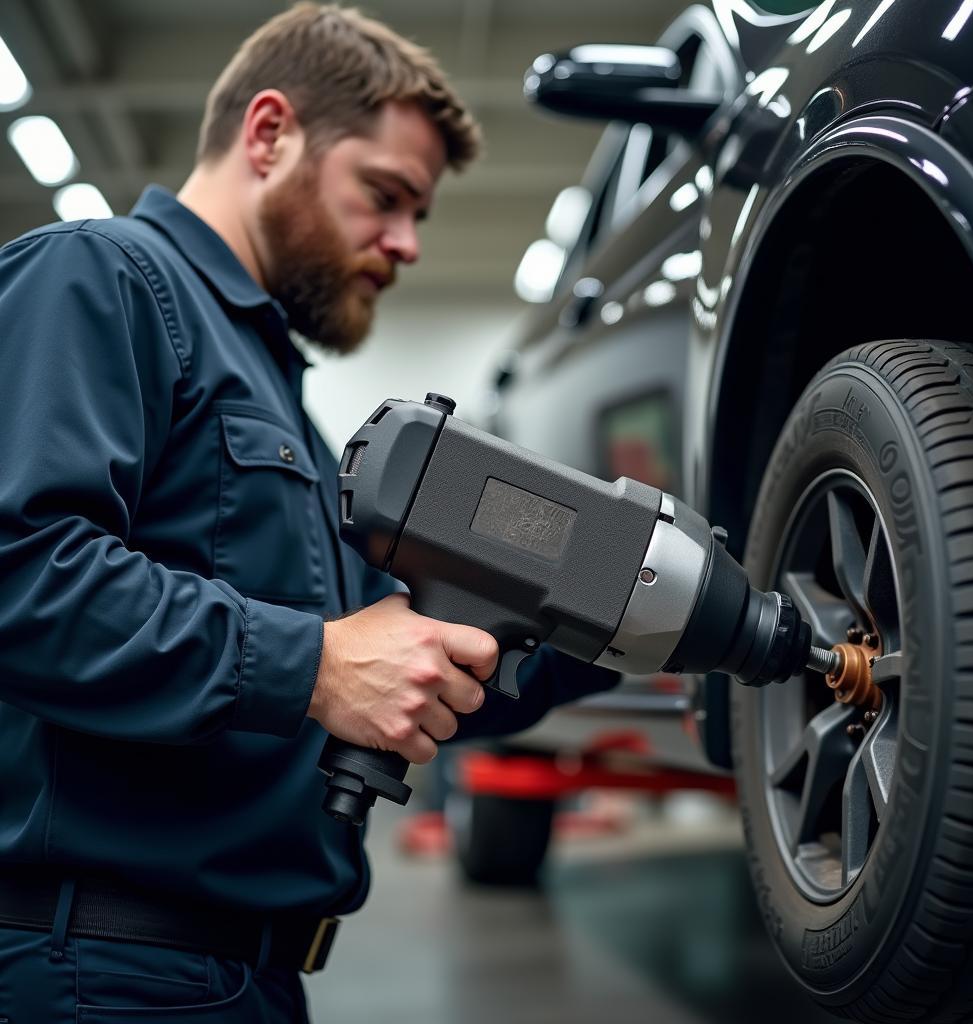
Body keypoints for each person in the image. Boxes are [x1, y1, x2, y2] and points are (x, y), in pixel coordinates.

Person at [0, 5, 618, 1021]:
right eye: (386, 196)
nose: (407, 242)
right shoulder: (99, 278)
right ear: (270, 133)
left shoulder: (282, 403)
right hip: (101, 968)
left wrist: (617, 614)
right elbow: (18, 570)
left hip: (245, 979)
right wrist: (313, 666)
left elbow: (408, 664)